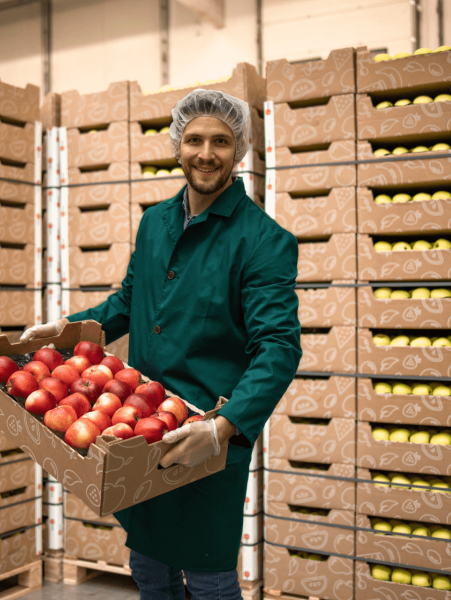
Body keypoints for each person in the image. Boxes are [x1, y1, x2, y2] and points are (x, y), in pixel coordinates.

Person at [20, 89, 301, 600]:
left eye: (221, 140)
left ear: (239, 151)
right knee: (149, 566)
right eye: (194, 139)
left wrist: (224, 427)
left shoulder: (262, 240)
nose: (206, 152)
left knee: (211, 576)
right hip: (137, 424)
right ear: (177, 147)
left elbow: (279, 346)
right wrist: (66, 329)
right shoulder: (155, 223)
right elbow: (128, 302)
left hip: (204, 434)